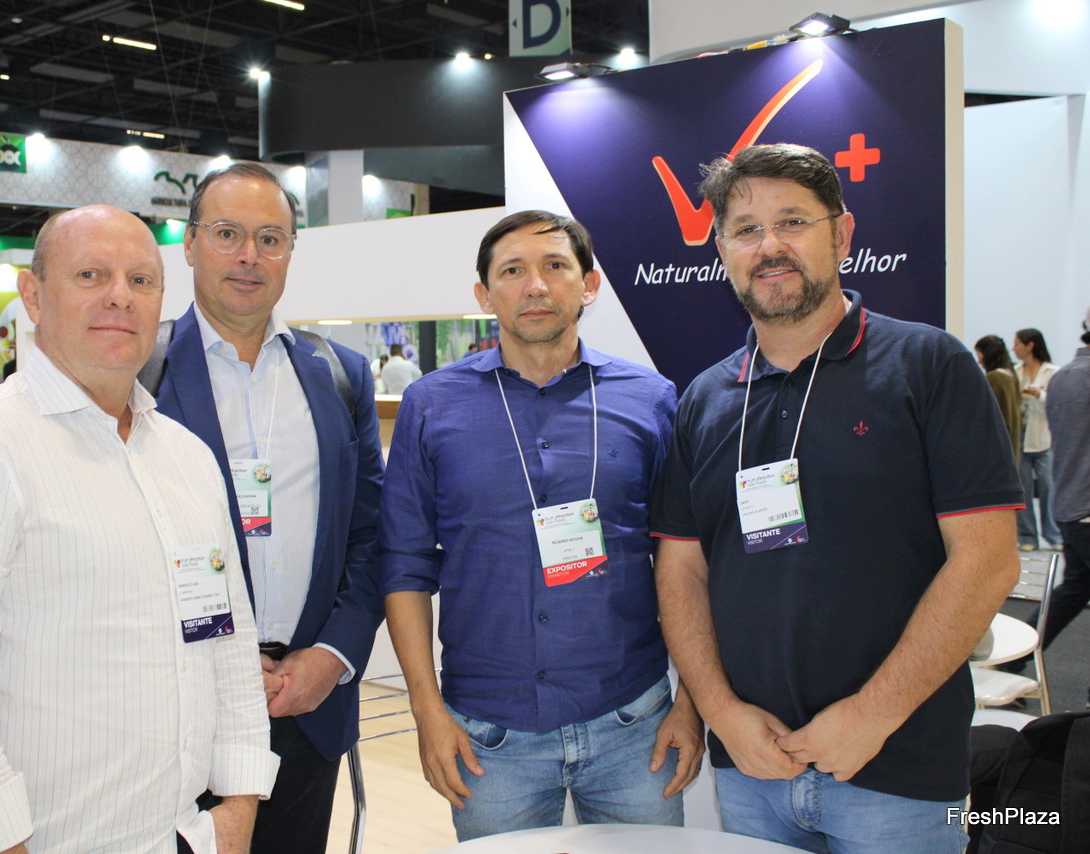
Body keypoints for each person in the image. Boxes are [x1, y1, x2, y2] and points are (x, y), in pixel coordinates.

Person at [652, 143, 1022, 854]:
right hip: (751, 769)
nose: (770, 246)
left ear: (842, 234)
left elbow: (986, 561)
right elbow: (681, 571)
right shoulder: (704, 399)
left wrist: (872, 716)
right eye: (747, 230)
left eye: (793, 222)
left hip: (897, 771)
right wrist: (722, 714)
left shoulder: (929, 365)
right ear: (722, 251)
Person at [0, 205, 277, 854]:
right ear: (34, 295)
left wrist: (237, 808)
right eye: (91, 275)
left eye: (141, 280)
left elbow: (225, 641)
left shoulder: (187, 458)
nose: (120, 296)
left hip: (186, 834)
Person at [380, 210, 703, 842]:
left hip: (633, 724)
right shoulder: (431, 404)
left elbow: (687, 560)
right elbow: (404, 565)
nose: (535, 286)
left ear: (589, 284)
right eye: (512, 271)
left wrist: (691, 704)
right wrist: (426, 711)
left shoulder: (651, 399)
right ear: (484, 294)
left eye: (555, 266)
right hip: (488, 735)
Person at [152, 163, 385, 854]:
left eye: (270, 238)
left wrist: (333, 657)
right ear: (190, 244)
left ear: (289, 251)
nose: (249, 255)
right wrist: (216, 666)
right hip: (176, 712)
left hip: (304, 704)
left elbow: (371, 536)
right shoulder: (140, 373)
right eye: (227, 233)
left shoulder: (339, 374)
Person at [1023, 308, 1090, 691]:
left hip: (1070, 504)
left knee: (1074, 590)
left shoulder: (1062, 377)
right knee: (1073, 590)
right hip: (1084, 507)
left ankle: (1012, 662)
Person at [1012, 328, 1063, 551]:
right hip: (1021, 437)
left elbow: (1057, 402)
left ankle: (1054, 535)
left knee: (1048, 488)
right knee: (1022, 490)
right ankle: (1027, 537)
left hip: (1044, 437)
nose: (1014, 349)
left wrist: (1039, 394)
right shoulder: (1015, 372)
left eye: (1017, 344)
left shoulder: (1053, 372)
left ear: (1030, 345)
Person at [976, 334, 1022, 465]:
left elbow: (989, 416)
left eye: (979, 355)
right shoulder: (1011, 375)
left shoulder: (994, 378)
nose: (979, 361)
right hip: (1011, 443)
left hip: (997, 448)